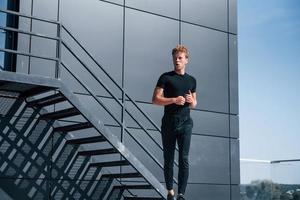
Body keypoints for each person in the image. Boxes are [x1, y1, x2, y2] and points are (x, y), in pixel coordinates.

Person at [152, 45, 197, 200]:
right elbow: (155, 99)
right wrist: (173, 100)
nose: (177, 60)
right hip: (169, 123)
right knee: (168, 158)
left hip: (186, 123)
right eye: (175, 58)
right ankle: (170, 191)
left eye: (180, 58)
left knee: (184, 158)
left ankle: (181, 194)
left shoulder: (192, 80)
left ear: (186, 60)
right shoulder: (165, 77)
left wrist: (191, 101)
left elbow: (194, 104)